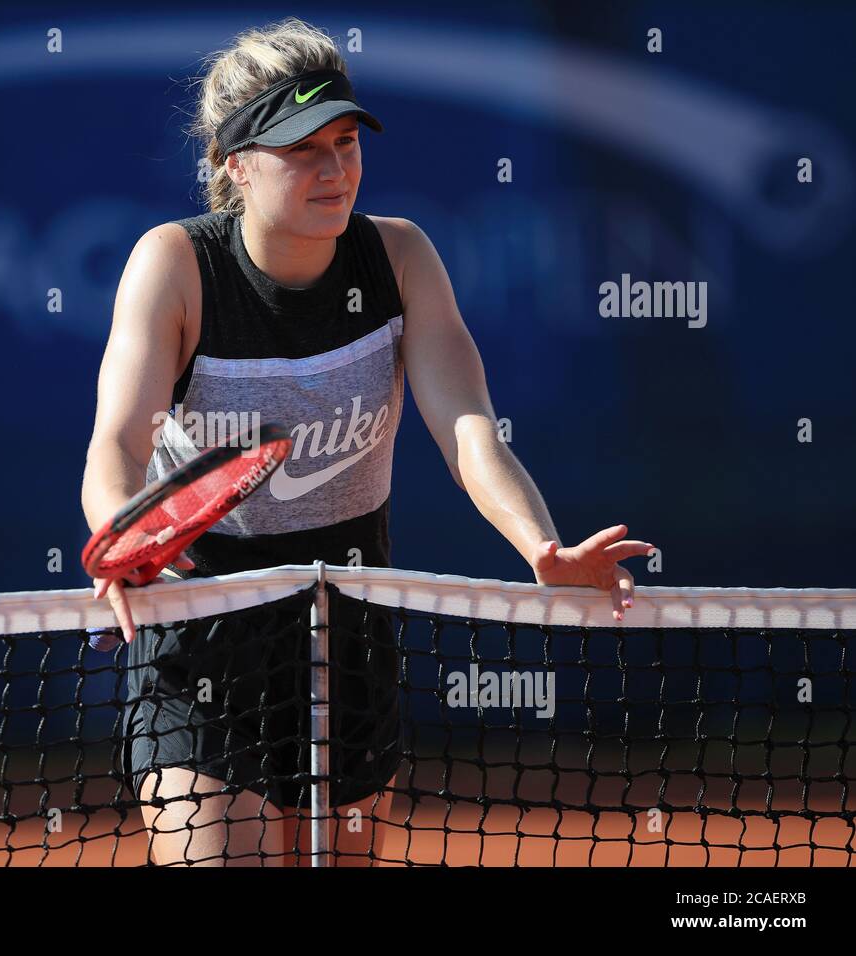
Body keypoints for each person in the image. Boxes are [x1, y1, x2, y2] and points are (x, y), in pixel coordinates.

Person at [79, 18, 653, 867]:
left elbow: (469, 431)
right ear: (235, 163)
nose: (335, 168)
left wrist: (541, 544)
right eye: (302, 149)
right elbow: (117, 443)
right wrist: (123, 539)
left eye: (345, 142)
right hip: (199, 629)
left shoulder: (401, 257)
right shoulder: (174, 266)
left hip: (346, 631)